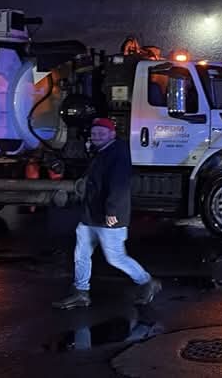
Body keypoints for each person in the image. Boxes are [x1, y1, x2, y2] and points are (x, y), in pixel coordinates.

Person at [53, 118, 161, 309]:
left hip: (108, 217)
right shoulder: (102, 152)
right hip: (91, 215)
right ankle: (81, 292)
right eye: (94, 133)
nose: (96, 136)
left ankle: (146, 282)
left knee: (116, 258)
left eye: (101, 133)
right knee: (81, 254)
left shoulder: (117, 154)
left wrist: (113, 212)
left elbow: (119, 185)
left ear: (112, 134)